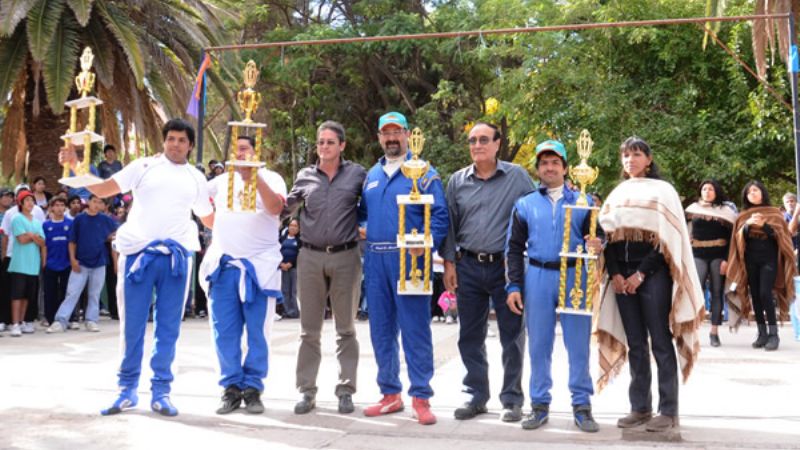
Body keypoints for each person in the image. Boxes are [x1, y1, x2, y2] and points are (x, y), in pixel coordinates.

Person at [60, 118, 214, 417]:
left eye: (182, 140)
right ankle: (126, 389)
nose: (176, 144)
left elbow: (208, 219)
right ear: (164, 141)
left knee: (168, 328)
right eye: (171, 138)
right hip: (137, 255)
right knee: (132, 327)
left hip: (176, 258)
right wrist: (76, 168)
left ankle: (161, 391)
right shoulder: (143, 166)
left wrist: (241, 220)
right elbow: (105, 189)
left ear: (191, 145)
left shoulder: (197, 178)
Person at [596, 136, 704, 432]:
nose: (630, 160)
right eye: (626, 155)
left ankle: (668, 411)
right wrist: (617, 274)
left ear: (649, 159)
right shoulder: (616, 193)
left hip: (653, 275)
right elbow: (606, 238)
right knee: (635, 344)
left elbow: (668, 241)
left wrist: (640, 274)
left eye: (636, 154)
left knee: (659, 341)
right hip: (621, 277)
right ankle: (640, 407)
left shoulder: (663, 192)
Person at [359, 111, 449, 425]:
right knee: (381, 329)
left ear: (408, 135)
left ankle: (421, 397)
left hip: (411, 261)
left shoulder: (424, 172)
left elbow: (439, 217)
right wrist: (363, 226)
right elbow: (361, 214)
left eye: (398, 132)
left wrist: (423, 248)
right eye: (387, 132)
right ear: (379, 137)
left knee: (415, 328)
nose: (392, 138)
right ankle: (389, 394)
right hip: (375, 259)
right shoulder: (372, 174)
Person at [441, 122, 535, 422]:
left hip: (506, 269)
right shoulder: (457, 181)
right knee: (469, 334)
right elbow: (450, 227)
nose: (477, 145)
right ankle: (475, 395)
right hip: (467, 266)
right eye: (472, 140)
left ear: (497, 144)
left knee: (512, 334)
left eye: (483, 139)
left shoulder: (517, 177)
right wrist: (449, 264)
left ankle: (511, 399)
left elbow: (534, 212)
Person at [505, 140, 599, 432]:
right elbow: (513, 247)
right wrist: (514, 286)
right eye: (544, 163)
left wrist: (598, 242)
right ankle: (539, 404)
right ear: (538, 169)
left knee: (578, 344)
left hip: (574, 277)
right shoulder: (525, 203)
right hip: (538, 275)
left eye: (555, 162)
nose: (549, 167)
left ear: (565, 167)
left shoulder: (584, 200)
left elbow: (598, 236)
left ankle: (582, 405)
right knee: (539, 343)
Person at [199, 135, 286, 415]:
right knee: (224, 331)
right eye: (236, 150)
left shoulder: (272, 178)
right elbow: (202, 209)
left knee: (259, 333)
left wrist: (254, 177)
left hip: (259, 269)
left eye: (245, 150)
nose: (240, 154)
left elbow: (276, 208)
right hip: (224, 268)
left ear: (256, 152)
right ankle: (231, 387)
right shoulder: (218, 183)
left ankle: (253, 387)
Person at [286, 120, 366, 415]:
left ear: (342, 146)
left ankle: (346, 390)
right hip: (310, 257)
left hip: (346, 257)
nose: (324, 147)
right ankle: (306, 391)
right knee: (309, 331)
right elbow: (285, 208)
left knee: (346, 329)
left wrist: (367, 227)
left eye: (330, 142)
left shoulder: (357, 175)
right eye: (320, 142)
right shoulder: (305, 176)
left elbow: (369, 208)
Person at [726, 181, 796, 351]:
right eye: (749, 192)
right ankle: (762, 332)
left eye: (755, 190)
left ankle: (774, 334)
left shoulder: (774, 214)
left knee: (765, 293)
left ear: (762, 193)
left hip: (769, 258)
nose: (752, 194)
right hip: (750, 259)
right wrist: (748, 226)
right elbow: (737, 240)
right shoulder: (743, 216)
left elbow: (782, 237)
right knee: (755, 296)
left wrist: (764, 225)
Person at [46, 194, 117, 333]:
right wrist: (73, 259)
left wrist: (109, 239)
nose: (97, 204)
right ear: (89, 202)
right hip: (81, 263)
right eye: (94, 201)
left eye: (100, 202)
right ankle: (60, 321)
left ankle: (91, 320)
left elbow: (113, 235)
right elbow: (72, 241)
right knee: (72, 293)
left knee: (94, 294)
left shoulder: (105, 220)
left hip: (99, 262)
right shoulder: (79, 219)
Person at [685, 179, 737, 347]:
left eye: (711, 189)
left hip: (719, 254)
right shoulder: (692, 210)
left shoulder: (726, 211)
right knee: (695, 291)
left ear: (717, 192)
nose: (707, 191)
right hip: (698, 253)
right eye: (704, 189)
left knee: (716, 291)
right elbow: (684, 231)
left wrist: (728, 260)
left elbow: (733, 238)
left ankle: (714, 332)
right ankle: (692, 331)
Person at [1, 185, 47, 333]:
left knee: (28, 295)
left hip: (33, 263)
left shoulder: (37, 222)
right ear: (20, 203)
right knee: (16, 295)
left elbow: (42, 242)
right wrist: (34, 236)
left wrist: (31, 235)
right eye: (26, 200)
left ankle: (21, 322)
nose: (30, 203)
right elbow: (21, 239)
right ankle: (14, 324)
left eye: (31, 200)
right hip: (19, 263)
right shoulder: (16, 218)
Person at [42, 197, 73, 327]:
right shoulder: (45, 225)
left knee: (66, 292)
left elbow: (73, 243)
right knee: (50, 292)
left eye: (62, 205)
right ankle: (50, 319)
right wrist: (44, 262)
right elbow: (43, 245)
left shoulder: (70, 223)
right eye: (57, 205)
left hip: (66, 263)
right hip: (50, 263)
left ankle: (66, 319)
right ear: (51, 208)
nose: (60, 208)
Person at [279, 219, 300, 319]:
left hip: (294, 268)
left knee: (294, 291)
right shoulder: (282, 238)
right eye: (291, 225)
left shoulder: (299, 240)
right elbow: (277, 251)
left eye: (295, 226)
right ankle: (287, 311)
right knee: (285, 290)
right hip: (283, 267)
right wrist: (281, 264)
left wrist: (291, 264)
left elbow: (299, 254)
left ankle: (294, 311)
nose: (293, 227)